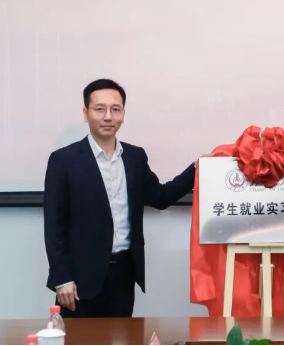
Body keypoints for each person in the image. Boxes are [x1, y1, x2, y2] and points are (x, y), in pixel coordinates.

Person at [43, 79, 197, 317]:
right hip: (79, 280)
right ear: (85, 113)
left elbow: (160, 197)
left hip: (124, 275)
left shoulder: (135, 157)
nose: (108, 116)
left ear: (123, 114)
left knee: (123, 336)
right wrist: (62, 278)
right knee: (78, 337)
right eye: (100, 109)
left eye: (115, 109)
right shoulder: (63, 160)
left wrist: (197, 169)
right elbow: (55, 226)